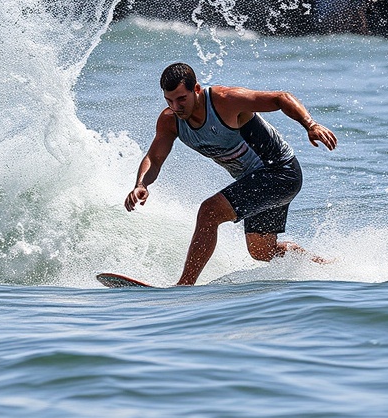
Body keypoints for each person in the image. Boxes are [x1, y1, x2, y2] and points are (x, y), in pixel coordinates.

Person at [125, 63, 337, 286]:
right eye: (169, 101)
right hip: (257, 180)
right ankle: (323, 267)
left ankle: (184, 285)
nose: (176, 106)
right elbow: (155, 158)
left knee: (209, 211)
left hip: (281, 172)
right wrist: (142, 184)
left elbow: (281, 98)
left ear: (196, 89)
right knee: (262, 251)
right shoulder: (170, 121)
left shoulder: (225, 100)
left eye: (181, 99)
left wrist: (310, 124)